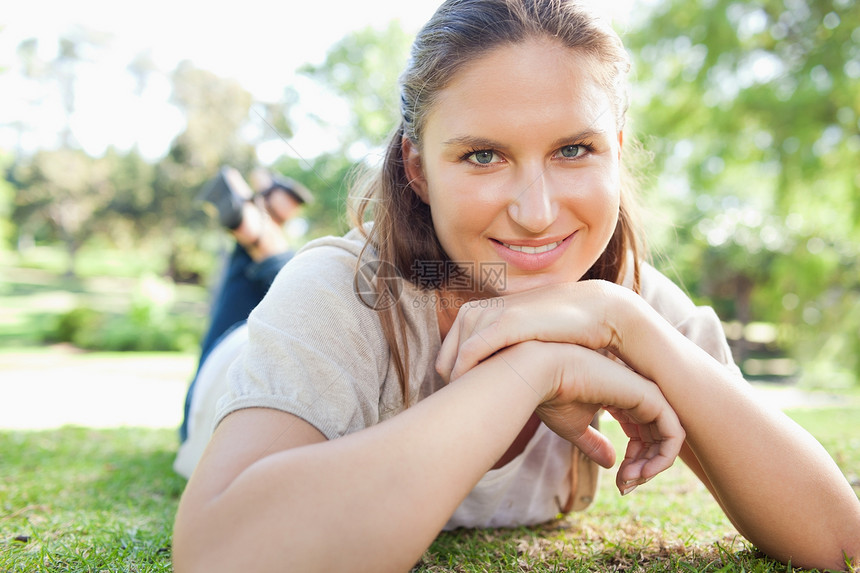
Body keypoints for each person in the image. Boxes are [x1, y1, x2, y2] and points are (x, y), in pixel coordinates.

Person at [172, 1, 860, 571]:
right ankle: (256, 247)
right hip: (232, 377)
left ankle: (259, 239)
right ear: (416, 168)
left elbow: (837, 540)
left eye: (573, 149)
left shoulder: (626, 302)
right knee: (263, 287)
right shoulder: (338, 293)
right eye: (482, 155)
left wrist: (627, 323)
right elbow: (220, 557)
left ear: (617, 150)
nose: (536, 213)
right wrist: (537, 366)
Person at [175, 166, 312, 473]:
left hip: (207, 416)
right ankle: (262, 220)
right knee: (306, 295)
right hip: (215, 414)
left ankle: (260, 223)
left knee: (286, 283)